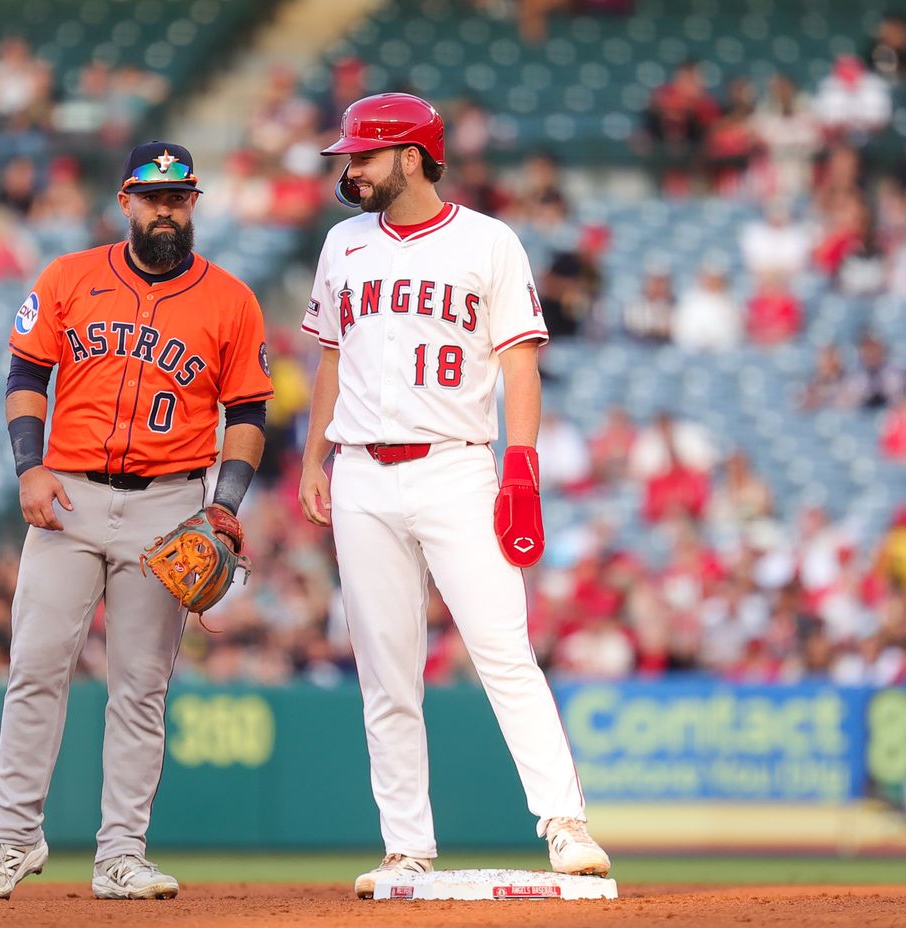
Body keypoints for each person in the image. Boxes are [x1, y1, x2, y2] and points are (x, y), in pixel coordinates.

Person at [296, 93, 609, 899]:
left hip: (455, 465)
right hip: (361, 470)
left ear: (410, 156)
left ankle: (565, 824)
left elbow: (519, 364)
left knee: (504, 650)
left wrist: (522, 467)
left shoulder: (488, 241)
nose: (350, 168)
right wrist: (312, 460)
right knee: (385, 672)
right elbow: (331, 361)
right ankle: (405, 847)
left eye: (363, 155)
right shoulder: (341, 245)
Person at [0, 141, 273, 901]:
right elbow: (27, 373)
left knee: (140, 685)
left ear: (193, 204)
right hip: (66, 494)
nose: (165, 209)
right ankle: (12, 839)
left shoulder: (231, 298)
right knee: (35, 667)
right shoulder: (69, 277)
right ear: (125, 201)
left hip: (168, 504)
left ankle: (121, 854)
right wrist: (29, 467)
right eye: (152, 196)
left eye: (178, 197)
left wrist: (222, 509)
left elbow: (250, 411)